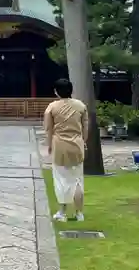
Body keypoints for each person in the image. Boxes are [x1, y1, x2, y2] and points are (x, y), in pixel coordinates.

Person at [44, 78, 88, 222]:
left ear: (56, 91)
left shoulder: (52, 107)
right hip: (77, 144)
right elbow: (85, 128)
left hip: (59, 145)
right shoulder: (80, 106)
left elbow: (48, 128)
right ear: (71, 90)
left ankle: (62, 212)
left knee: (61, 179)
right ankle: (79, 213)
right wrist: (84, 142)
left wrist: (49, 144)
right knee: (77, 180)